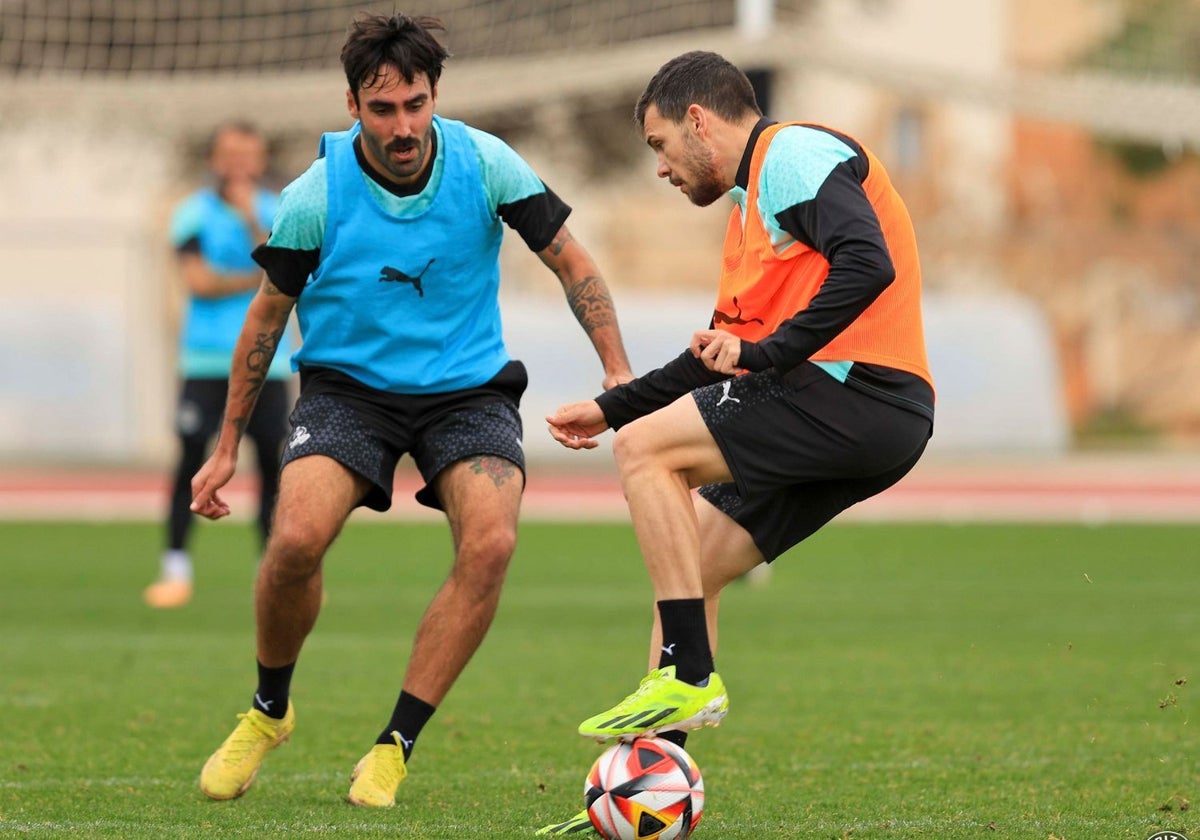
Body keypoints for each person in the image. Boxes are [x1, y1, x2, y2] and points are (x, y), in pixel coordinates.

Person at [189, 13, 633, 808]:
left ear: (436, 98)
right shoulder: (316, 193)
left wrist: (618, 376)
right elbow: (264, 319)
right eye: (383, 108)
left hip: (466, 390)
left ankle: (394, 744)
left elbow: (572, 261)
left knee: (492, 543)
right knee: (293, 540)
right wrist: (226, 448)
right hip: (348, 390)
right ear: (353, 105)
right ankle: (267, 710)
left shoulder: (486, 162)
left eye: (416, 104)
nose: (403, 126)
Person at [539, 51, 934, 835]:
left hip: (859, 389)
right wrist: (610, 407)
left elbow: (869, 262)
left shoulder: (790, 153)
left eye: (658, 145)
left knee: (648, 455)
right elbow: (711, 356)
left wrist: (769, 355)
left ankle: (690, 675)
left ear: (697, 122)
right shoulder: (753, 213)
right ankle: (652, 784)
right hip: (870, 413)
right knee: (696, 563)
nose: (660, 167)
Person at [144, 122, 293, 610]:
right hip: (206, 359)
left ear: (261, 158)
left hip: (265, 363)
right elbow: (201, 282)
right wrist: (260, 276)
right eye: (229, 154)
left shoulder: (278, 211)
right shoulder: (193, 213)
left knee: (274, 466)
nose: (238, 164)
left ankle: (269, 570)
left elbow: (289, 270)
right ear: (214, 159)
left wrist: (253, 221)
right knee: (191, 457)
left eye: (248, 154)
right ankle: (175, 566)